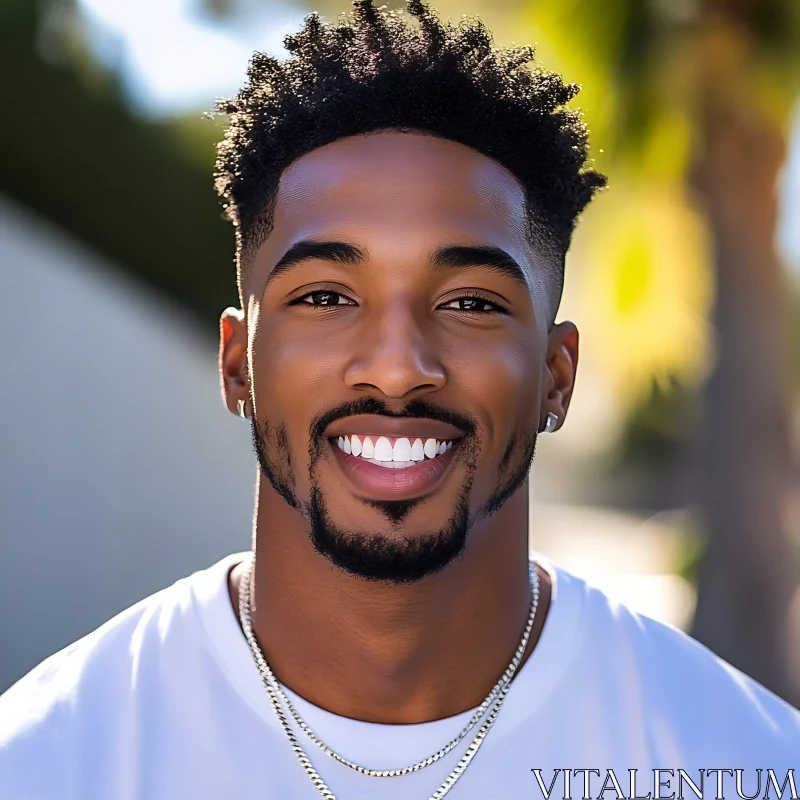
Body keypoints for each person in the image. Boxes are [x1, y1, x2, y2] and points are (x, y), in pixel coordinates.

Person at [1, 1, 798, 798]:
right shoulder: (48, 758)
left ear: (557, 374)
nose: (394, 370)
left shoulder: (740, 763)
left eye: (470, 303)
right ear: (239, 365)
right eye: (324, 297)